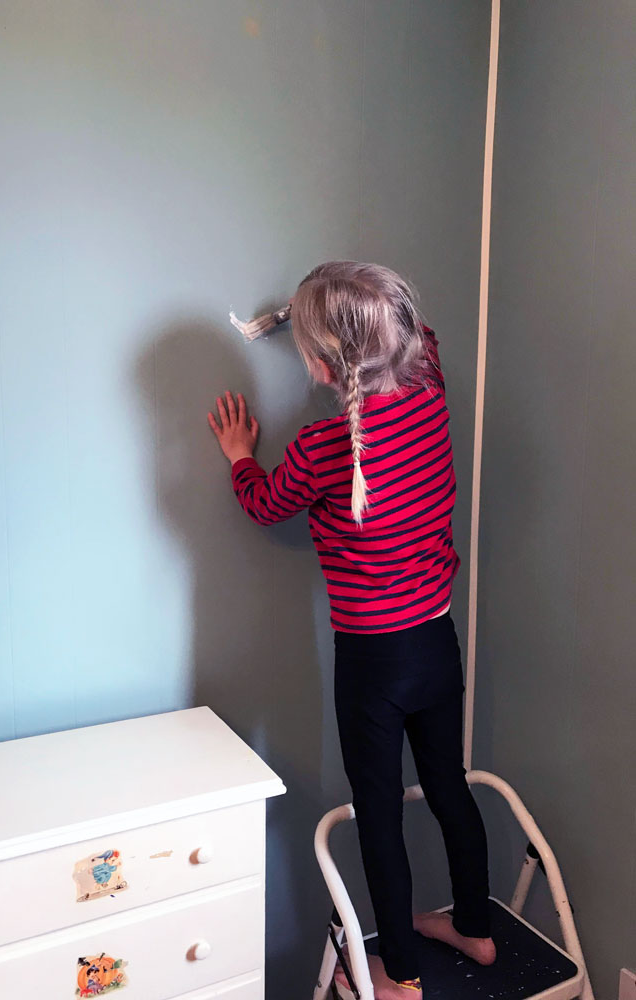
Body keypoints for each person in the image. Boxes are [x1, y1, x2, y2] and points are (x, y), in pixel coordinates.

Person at [208, 261, 496, 999]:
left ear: (319, 365)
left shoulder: (322, 447)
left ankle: (400, 975)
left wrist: (239, 455)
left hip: (372, 660)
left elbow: (265, 505)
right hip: (435, 639)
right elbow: (420, 332)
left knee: (378, 813)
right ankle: (475, 927)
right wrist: (334, 307)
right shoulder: (430, 391)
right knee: (448, 786)